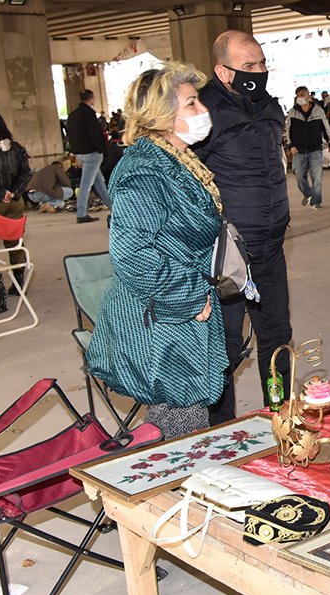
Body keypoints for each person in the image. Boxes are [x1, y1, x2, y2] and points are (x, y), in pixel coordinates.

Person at [85, 63, 228, 439]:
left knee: (186, 420)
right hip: (161, 317)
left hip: (176, 309)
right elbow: (131, 254)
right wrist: (191, 297)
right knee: (180, 433)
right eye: (192, 103)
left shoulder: (174, 158)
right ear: (163, 115)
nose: (202, 111)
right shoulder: (145, 170)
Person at [195, 30, 292, 424]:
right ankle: (222, 433)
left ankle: (281, 415)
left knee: (277, 334)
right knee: (226, 347)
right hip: (228, 254)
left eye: (262, 63)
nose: (258, 71)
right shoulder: (203, 110)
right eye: (248, 66)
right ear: (223, 70)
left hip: (271, 245)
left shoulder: (267, 104)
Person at [0, 111, 32, 293]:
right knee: (14, 241)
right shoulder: (16, 148)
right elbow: (26, 173)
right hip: (15, 202)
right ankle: (19, 284)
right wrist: (12, 193)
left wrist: (0, 193)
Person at [66, 89, 112, 224]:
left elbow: (70, 136)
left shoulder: (72, 115)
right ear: (91, 99)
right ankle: (81, 214)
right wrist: (101, 150)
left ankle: (114, 207)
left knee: (99, 182)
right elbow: (94, 134)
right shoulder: (89, 114)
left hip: (80, 153)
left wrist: (75, 152)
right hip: (92, 154)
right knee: (86, 185)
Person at [285, 85, 330, 209]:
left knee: (317, 177)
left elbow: (325, 127)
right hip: (298, 150)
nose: (299, 98)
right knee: (299, 175)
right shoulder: (293, 112)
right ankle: (308, 193)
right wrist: (290, 145)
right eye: (297, 96)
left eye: (302, 95)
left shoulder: (318, 111)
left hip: (315, 149)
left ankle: (316, 202)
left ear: (308, 96)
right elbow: (288, 130)